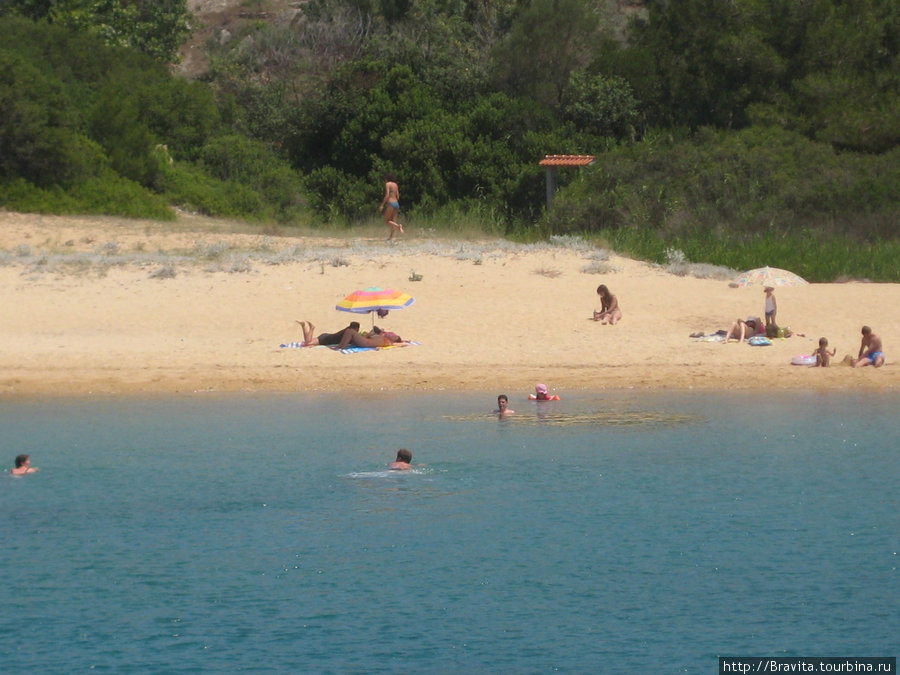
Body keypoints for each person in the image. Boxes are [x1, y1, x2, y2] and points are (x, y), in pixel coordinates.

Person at [379, 172, 404, 241]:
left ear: (387, 178)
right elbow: (398, 196)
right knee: (393, 220)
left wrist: (382, 205)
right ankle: (391, 237)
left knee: (387, 220)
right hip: (396, 203)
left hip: (391, 203)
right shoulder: (395, 185)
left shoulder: (388, 184)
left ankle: (399, 226)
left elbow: (387, 195)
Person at [296, 320, 360, 347]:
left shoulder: (346, 330)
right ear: (356, 328)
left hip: (326, 336)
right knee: (308, 342)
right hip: (325, 340)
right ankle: (311, 328)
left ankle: (304, 326)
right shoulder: (349, 333)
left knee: (308, 340)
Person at [336, 327, 402, 350]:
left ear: (394, 340)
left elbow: (402, 343)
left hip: (364, 343)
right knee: (349, 330)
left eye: (394, 336)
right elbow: (368, 336)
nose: (392, 334)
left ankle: (342, 346)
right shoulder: (383, 336)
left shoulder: (388, 342)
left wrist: (403, 341)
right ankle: (340, 346)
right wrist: (371, 333)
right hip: (364, 340)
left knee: (350, 331)